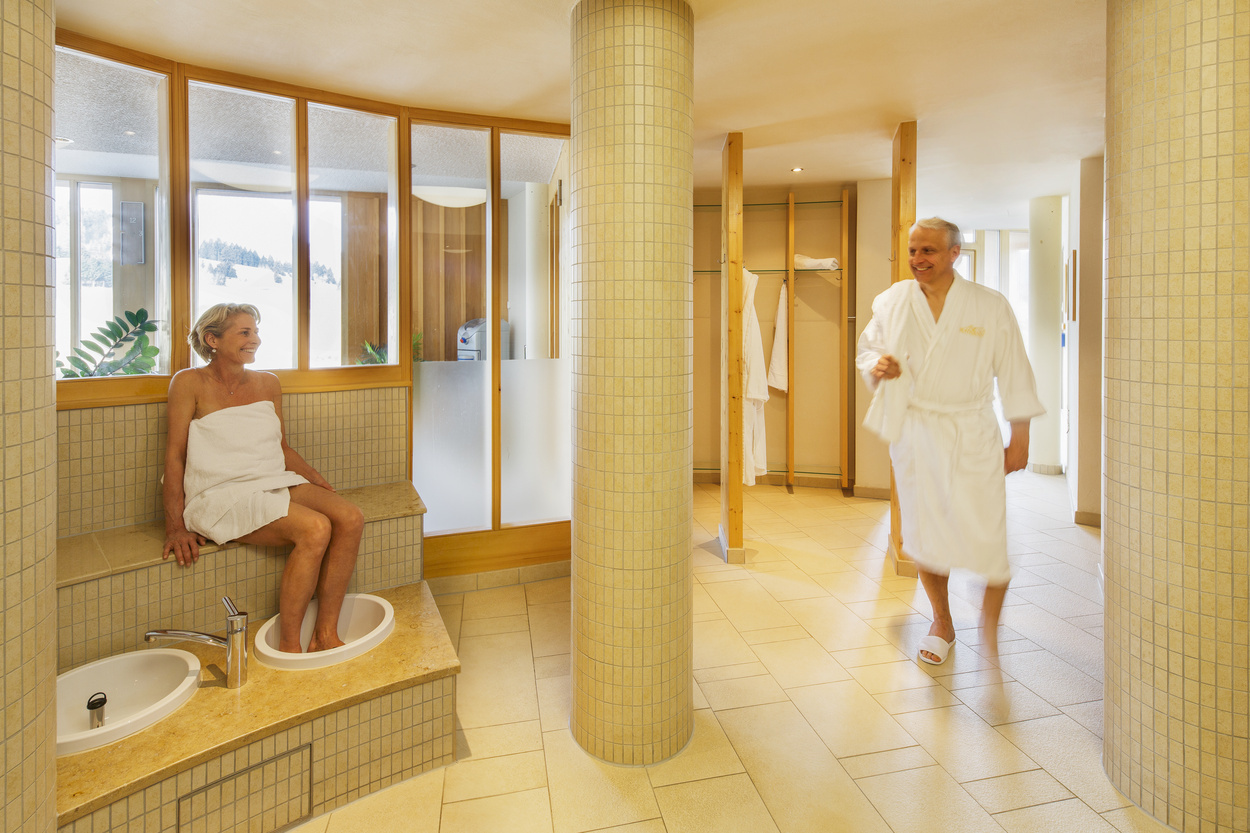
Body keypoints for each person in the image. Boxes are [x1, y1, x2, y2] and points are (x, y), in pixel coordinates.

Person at [856, 218, 1043, 665]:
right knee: (925, 533)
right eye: (913, 250)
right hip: (918, 432)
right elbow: (868, 350)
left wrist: (1020, 437)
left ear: (954, 253)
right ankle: (942, 621)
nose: (918, 259)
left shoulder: (989, 306)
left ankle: (990, 636)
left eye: (929, 251)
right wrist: (878, 366)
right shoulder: (893, 300)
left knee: (989, 535)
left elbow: (1015, 371)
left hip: (973, 430)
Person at [162, 303, 364, 654]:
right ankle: (289, 646)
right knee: (315, 528)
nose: (255, 339)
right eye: (245, 332)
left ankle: (324, 634)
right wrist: (175, 526)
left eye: (255, 331)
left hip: (271, 477)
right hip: (222, 493)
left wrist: (316, 481)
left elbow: (281, 447)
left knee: (350, 516)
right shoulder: (189, 382)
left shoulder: (268, 383)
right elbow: (175, 456)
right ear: (212, 339)